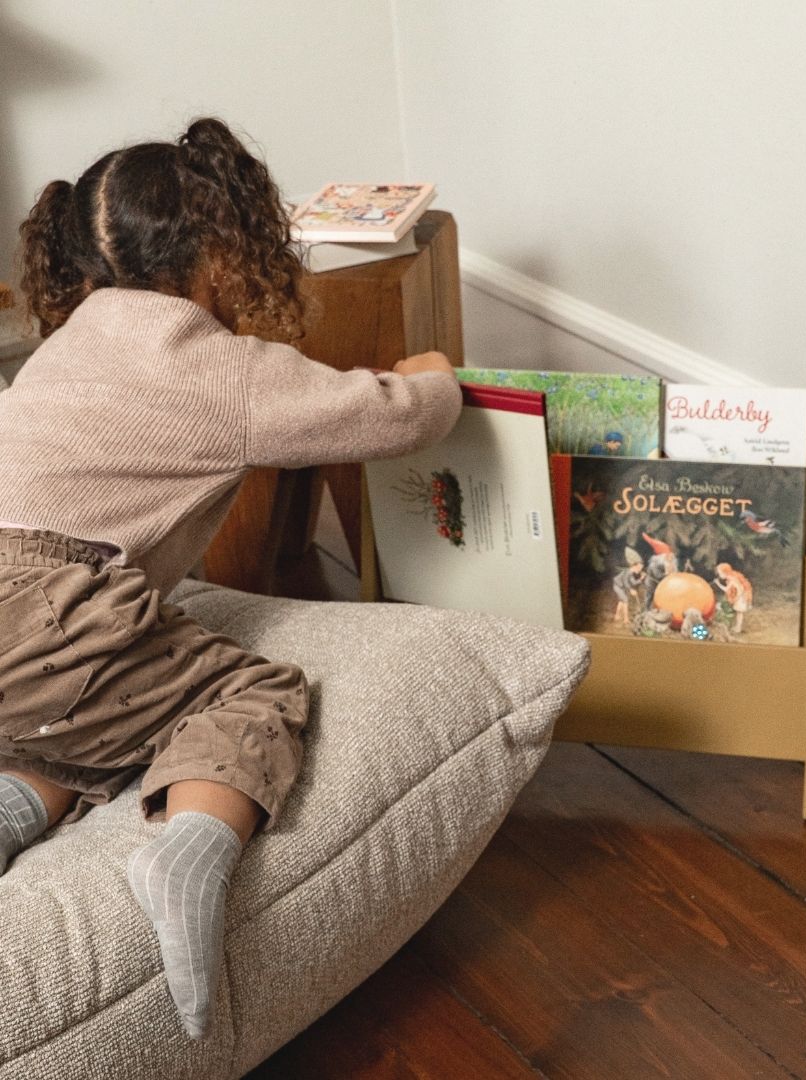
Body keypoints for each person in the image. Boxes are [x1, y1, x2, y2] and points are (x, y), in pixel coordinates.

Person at [0, 118, 462, 1039]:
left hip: (20, 635)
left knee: (76, 712)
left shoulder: (61, 347)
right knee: (250, 690)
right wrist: (432, 374)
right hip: (41, 608)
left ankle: (11, 807)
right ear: (222, 251)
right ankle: (188, 858)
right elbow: (385, 418)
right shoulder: (214, 366)